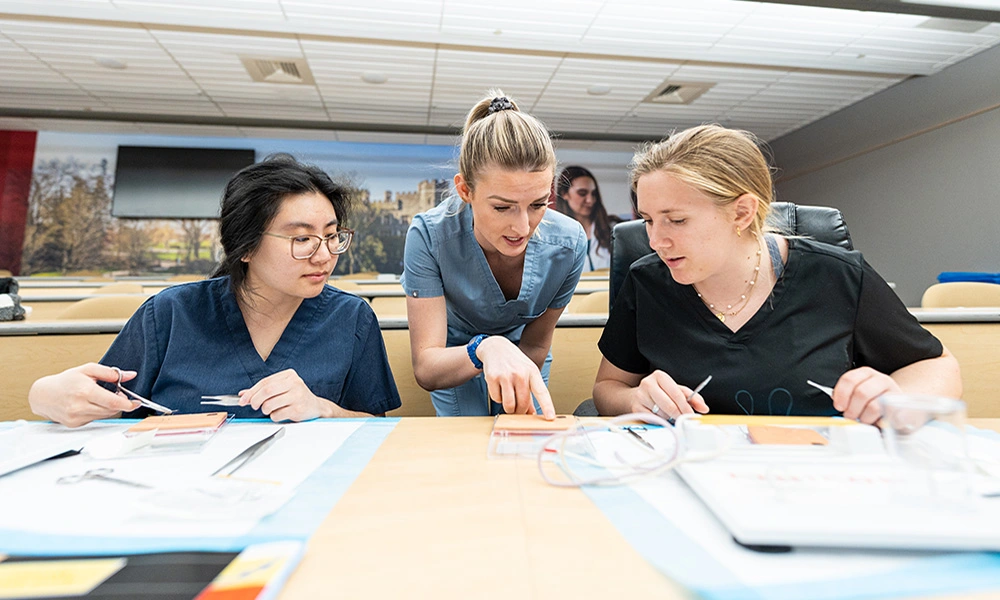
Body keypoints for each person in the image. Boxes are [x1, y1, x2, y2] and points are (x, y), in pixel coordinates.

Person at [593, 125, 961, 424]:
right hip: (685, 470)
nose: (656, 241)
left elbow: (937, 366)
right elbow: (608, 387)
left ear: (741, 213)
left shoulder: (837, 275)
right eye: (647, 220)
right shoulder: (647, 283)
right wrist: (635, 399)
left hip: (816, 476)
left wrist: (898, 398)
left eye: (676, 220)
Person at [29, 155, 401, 427]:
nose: (324, 254)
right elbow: (97, 402)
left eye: (332, 235)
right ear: (246, 247)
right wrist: (44, 394)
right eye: (302, 238)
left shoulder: (350, 318)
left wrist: (324, 408)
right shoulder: (170, 314)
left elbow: (373, 428)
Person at [402, 91, 588, 418]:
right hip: (454, 354)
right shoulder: (429, 235)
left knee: (520, 444)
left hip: (525, 353)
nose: (522, 226)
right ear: (465, 191)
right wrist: (483, 348)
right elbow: (427, 368)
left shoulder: (569, 244)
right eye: (502, 207)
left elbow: (536, 344)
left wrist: (513, 397)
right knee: (465, 447)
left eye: (538, 205)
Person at [553, 165, 620, 271]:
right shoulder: (554, 235)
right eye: (582, 193)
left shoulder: (613, 228)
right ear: (564, 194)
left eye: (593, 194)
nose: (590, 200)